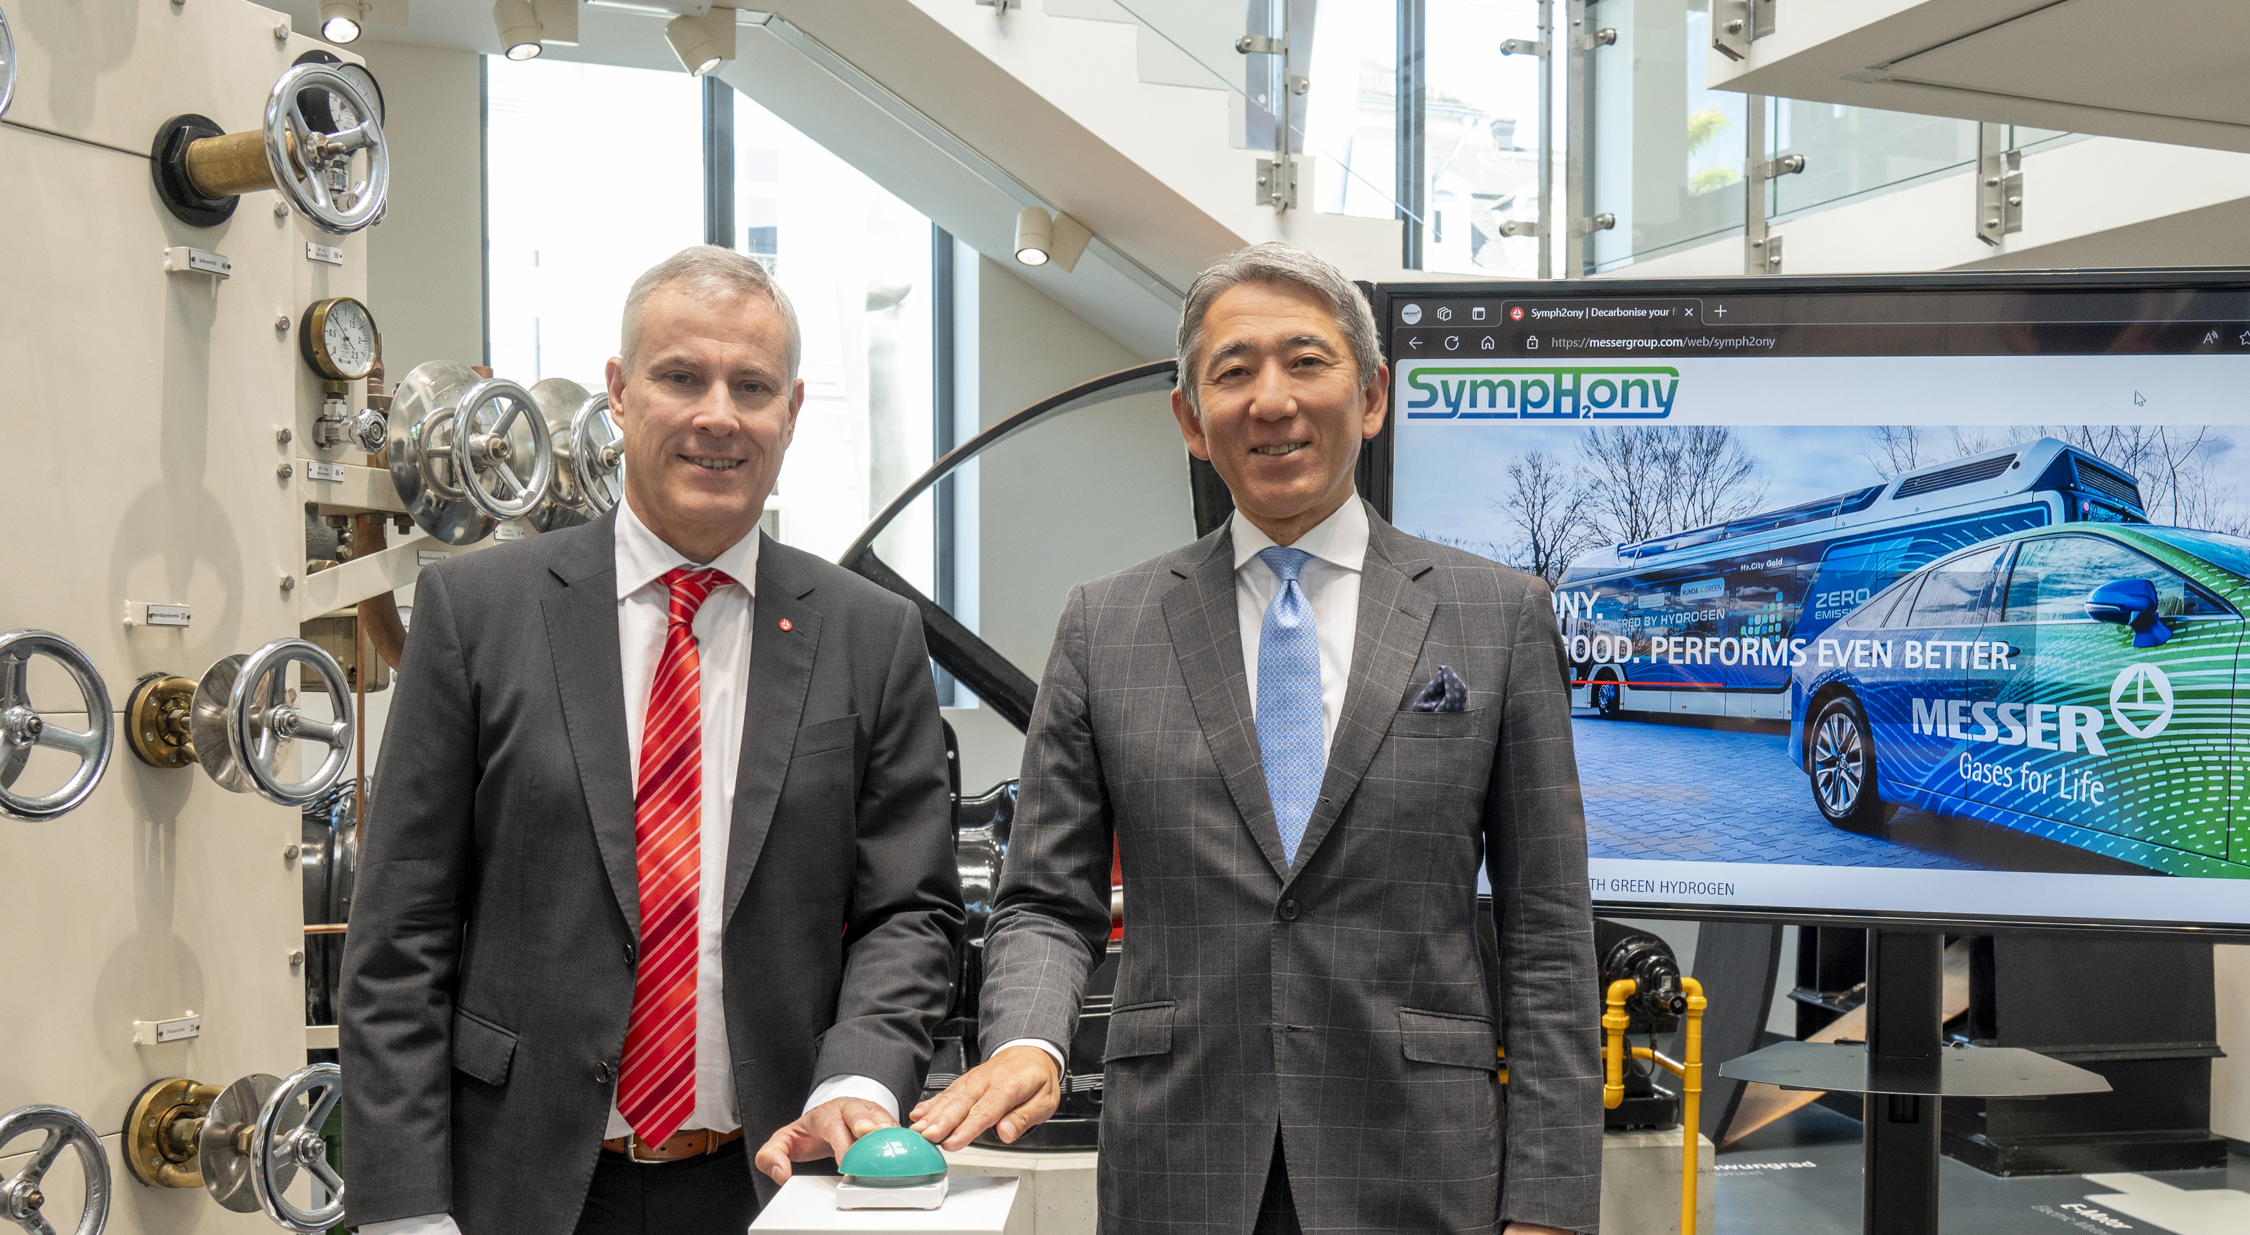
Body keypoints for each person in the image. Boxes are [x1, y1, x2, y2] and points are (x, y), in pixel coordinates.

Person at [914, 242, 1600, 1235]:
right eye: (1233, 372)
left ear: (1371, 397)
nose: (1271, 400)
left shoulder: (1496, 615)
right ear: (1192, 421)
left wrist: (1549, 1203)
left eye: (1305, 361)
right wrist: (1029, 1040)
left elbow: (1546, 928)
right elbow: (1044, 902)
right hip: (1180, 1163)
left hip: (1419, 1162)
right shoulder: (1106, 625)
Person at [341, 246, 962, 1235]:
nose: (719, 415)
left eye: (751, 386)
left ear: (792, 411)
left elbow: (909, 911)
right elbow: (399, 937)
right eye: (681, 377)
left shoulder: (869, 635)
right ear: (621, 394)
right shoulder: (478, 612)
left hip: (772, 1177)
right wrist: (405, 1211)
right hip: (521, 1183)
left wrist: (859, 1077)